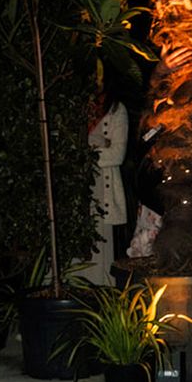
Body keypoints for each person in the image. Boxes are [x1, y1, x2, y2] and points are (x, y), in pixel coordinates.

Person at [82, 82, 129, 284]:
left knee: (98, 246)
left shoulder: (116, 109)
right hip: (74, 186)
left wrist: (86, 156)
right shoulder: (73, 104)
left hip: (102, 190)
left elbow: (117, 154)